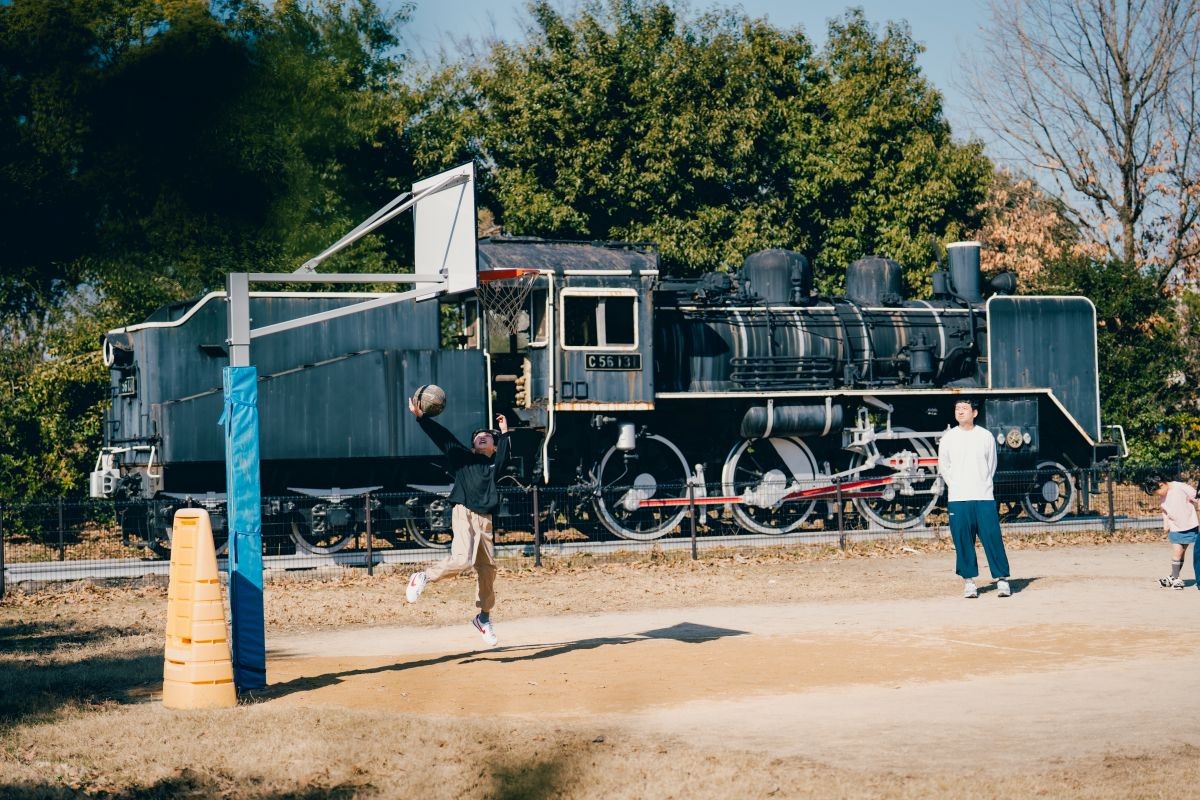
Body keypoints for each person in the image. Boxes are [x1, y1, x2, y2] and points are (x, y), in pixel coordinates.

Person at [405, 397, 509, 646]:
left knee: (488, 571)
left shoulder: (495, 465)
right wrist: (422, 417)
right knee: (462, 559)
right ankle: (423, 577)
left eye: (488, 436)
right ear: (472, 445)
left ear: (494, 446)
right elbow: (443, 436)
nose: (482, 436)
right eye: (478, 436)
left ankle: (483, 618)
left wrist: (505, 433)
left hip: (484, 520)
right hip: (463, 512)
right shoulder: (463, 458)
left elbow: (506, 455)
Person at [937, 398, 1012, 598]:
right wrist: (956, 484)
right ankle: (969, 582)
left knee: (992, 537)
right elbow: (944, 467)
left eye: (964, 408)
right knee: (962, 540)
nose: (960, 412)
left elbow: (991, 465)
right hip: (958, 497)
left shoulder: (986, 436)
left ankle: (1002, 579)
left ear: (974, 413)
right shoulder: (948, 438)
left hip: (983, 495)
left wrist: (982, 483)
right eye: (957, 408)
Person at [1142, 474, 1199, 590]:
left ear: (1161, 484)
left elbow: (1196, 497)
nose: (1158, 496)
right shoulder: (1164, 495)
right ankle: (1176, 578)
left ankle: (1173, 576)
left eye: (1157, 493)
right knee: (1177, 551)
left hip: (1189, 525)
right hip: (1175, 527)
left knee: (1182, 552)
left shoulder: (1181, 487)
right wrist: (1166, 524)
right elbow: (1164, 511)